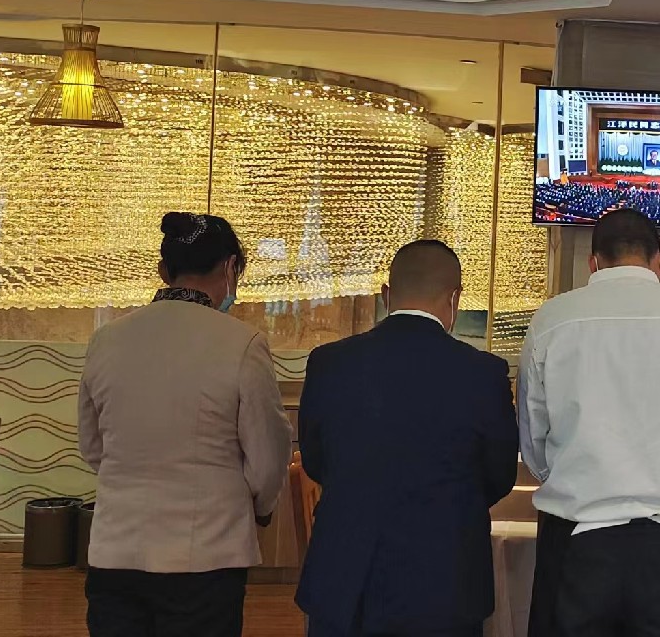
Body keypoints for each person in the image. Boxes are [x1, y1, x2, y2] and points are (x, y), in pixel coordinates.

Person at [519, 209, 660, 637]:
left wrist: (574, 476)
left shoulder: (551, 320)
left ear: (593, 263)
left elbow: (534, 437)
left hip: (576, 544)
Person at [78, 212, 292, 637]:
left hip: (115, 551)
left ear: (163, 271)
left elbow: (92, 446)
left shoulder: (107, 340)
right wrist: (260, 508)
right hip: (207, 556)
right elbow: (268, 456)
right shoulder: (243, 344)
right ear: (230, 268)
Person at [296, 240, 518, 637]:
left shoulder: (330, 363)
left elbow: (315, 460)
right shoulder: (483, 373)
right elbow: (499, 475)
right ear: (455, 299)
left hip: (347, 575)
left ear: (386, 294)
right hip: (445, 578)